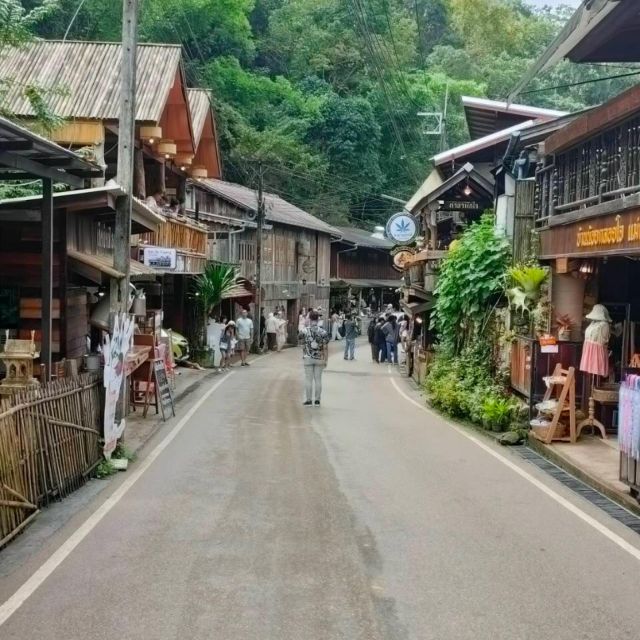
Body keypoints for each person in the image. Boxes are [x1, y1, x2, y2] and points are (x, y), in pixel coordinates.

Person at [299, 310, 329, 406]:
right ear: (318, 318)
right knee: (318, 379)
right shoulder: (323, 332)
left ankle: (308, 400)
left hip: (308, 357)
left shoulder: (304, 330)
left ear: (309, 318)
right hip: (319, 357)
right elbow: (325, 347)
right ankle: (317, 400)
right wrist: (326, 359)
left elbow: (301, 342)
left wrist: (304, 350)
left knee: (308, 379)